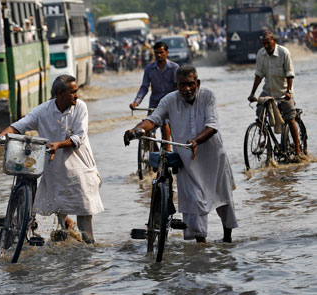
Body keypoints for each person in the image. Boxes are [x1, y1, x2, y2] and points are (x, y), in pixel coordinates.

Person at [124, 66, 238, 243]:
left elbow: (212, 125)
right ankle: (201, 247)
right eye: (182, 85)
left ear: (197, 83)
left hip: (213, 157)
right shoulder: (169, 100)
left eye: (191, 84)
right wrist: (134, 130)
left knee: (224, 200)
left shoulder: (208, 96)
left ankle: (227, 240)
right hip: (188, 161)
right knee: (195, 202)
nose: (187, 89)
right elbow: (153, 119)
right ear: (176, 86)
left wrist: (196, 141)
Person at [0, 75, 104, 244]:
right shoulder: (43, 111)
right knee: (59, 207)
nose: (76, 96)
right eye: (72, 92)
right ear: (59, 93)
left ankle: (89, 246)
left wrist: (59, 144)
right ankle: (67, 233)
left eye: (76, 92)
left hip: (80, 167)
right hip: (55, 168)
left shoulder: (80, 107)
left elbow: (79, 137)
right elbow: (19, 126)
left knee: (84, 211)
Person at [248, 30, 304, 160]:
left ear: (274, 41)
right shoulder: (261, 54)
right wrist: (252, 93)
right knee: (260, 113)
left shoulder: (284, 53)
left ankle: (298, 150)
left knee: (290, 119)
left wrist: (289, 91)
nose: (266, 46)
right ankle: (264, 138)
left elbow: (290, 74)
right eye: (263, 43)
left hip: (283, 91)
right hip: (268, 91)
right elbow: (259, 75)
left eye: (268, 43)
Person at [129, 41, 179, 150]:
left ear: (167, 52)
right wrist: (136, 102)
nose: (159, 55)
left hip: (170, 105)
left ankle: (167, 152)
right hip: (155, 105)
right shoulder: (149, 69)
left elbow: (178, 88)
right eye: (156, 53)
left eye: (161, 52)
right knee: (146, 130)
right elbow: (144, 87)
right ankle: (153, 155)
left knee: (166, 125)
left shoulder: (174, 68)